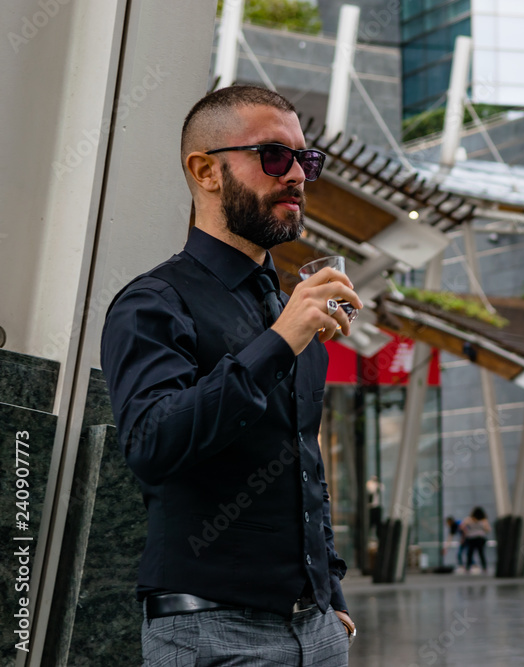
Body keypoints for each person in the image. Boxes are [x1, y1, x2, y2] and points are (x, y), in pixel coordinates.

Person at [101, 85, 362, 666]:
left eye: (304, 159)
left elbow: (305, 467)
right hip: (211, 632)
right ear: (206, 171)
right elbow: (152, 444)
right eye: (274, 155)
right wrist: (280, 342)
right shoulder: (153, 303)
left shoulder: (292, 314)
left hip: (317, 632)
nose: (296, 173)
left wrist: (332, 597)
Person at [461, 507, 491, 573]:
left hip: (471, 538)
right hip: (480, 538)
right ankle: (484, 567)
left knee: (470, 553)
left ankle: (467, 568)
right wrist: (481, 530)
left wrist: (467, 532)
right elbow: (488, 529)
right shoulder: (483, 520)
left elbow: (462, 527)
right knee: (481, 553)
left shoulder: (469, 519)